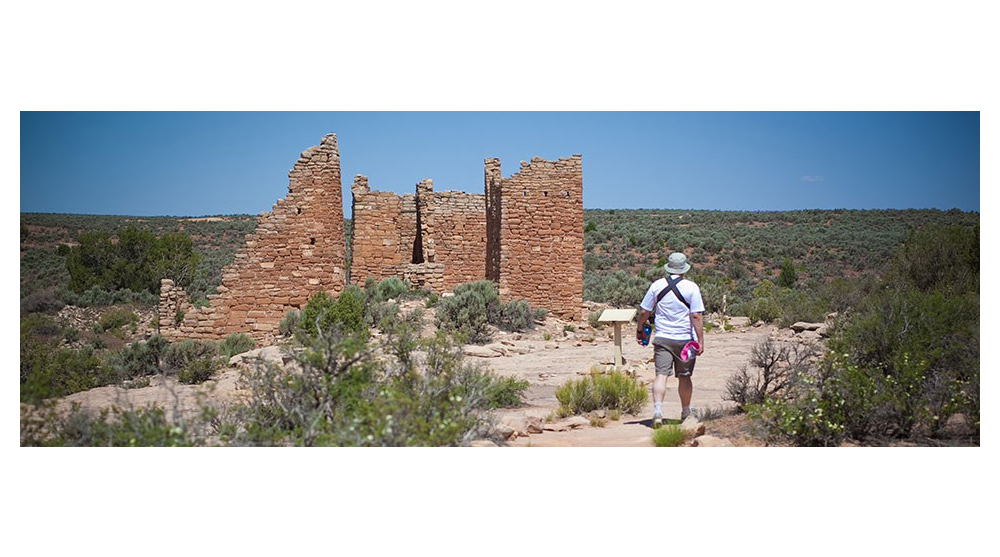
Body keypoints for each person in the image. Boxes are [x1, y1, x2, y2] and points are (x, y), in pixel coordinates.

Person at [636, 252, 705, 428]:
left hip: (663, 338)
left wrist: (640, 328)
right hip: (685, 340)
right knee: (684, 376)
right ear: (684, 269)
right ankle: (685, 411)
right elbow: (696, 315)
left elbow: (644, 311)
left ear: (668, 267)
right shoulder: (692, 287)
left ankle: (657, 411)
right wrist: (700, 340)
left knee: (661, 375)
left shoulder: (657, 285)